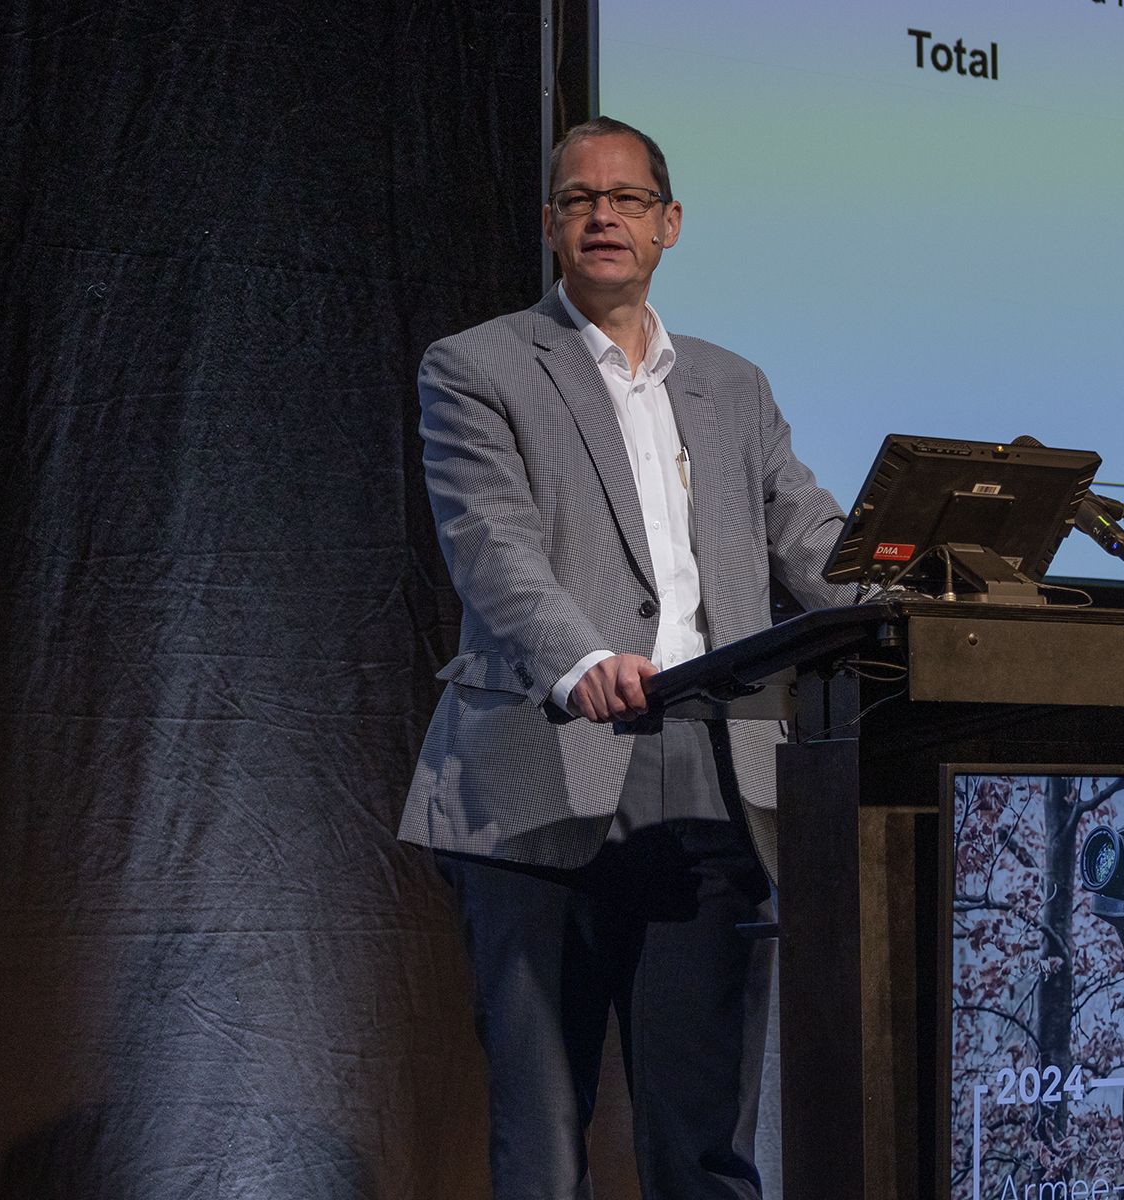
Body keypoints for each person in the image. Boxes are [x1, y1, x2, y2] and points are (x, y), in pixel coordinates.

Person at [399, 114, 852, 1199]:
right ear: (551, 225)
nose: (604, 216)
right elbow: (493, 547)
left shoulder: (734, 387)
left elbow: (812, 541)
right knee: (544, 1146)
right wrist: (580, 659)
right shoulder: (477, 365)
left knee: (703, 1145)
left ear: (669, 224)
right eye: (579, 200)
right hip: (540, 765)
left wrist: (925, 594)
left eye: (628, 199)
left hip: (715, 774)